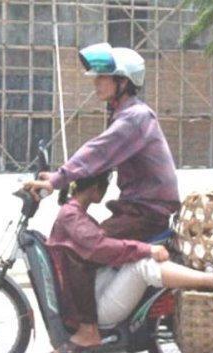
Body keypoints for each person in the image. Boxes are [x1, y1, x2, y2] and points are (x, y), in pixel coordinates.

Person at [45, 172, 213, 353]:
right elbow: (100, 246)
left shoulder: (73, 212)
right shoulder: (71, 215)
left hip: (92, 292)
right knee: (142, 265)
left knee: (137, 259)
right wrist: (147, 249)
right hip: (95, 308)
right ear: (95, 188)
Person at [25, 42, 180, 241]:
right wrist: (63, 178)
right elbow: (99, 159)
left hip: (146, 215)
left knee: (84, 244)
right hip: (135, 210)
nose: (96, 82)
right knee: (82, 238)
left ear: (123, 82)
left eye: (103, 77)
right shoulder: (125, 114)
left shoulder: (135, 117)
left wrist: (56, 179)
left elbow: (99, 151)